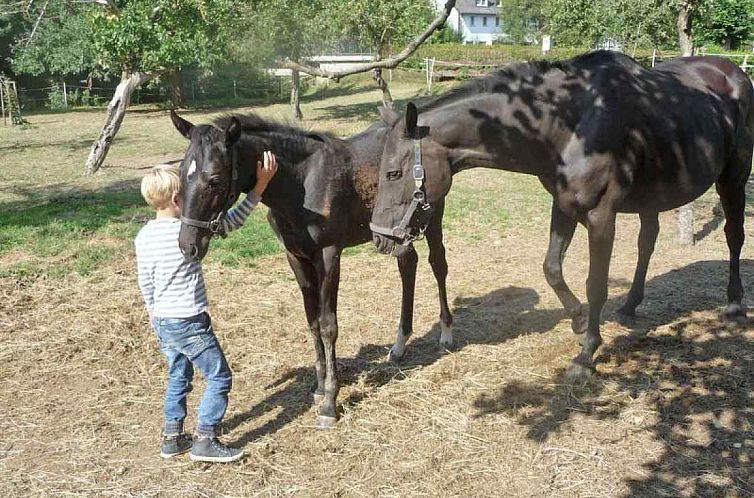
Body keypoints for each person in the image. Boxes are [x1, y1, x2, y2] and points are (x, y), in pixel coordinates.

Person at [135, 152, 277, 462]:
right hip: (188, 320)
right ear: (178, 199)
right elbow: (233, 220)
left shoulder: (143, 236)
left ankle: (172, 437)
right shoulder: (185, 233)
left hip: (162, 319)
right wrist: (259, 188)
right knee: (219, 376)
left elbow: (145, 282)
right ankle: (206, 438)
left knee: (179, 375)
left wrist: (153, 314)